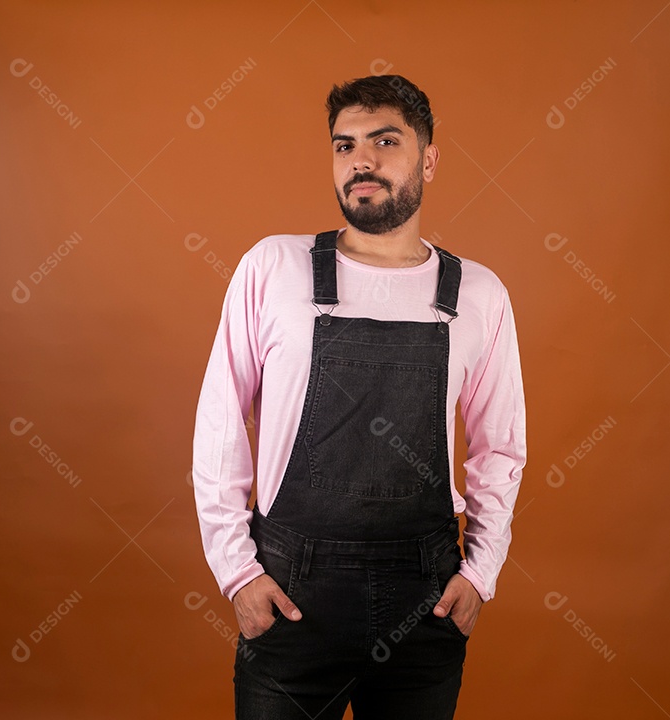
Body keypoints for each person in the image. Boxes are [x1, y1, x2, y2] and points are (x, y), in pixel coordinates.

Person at [192, 73, 526, 720]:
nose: (361, 161)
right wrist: (236, 571)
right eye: (344, 146)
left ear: (429, 159)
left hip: (424, 597)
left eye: (384, 141)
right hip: (291, 594)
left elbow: (501, 448)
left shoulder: (479, 296)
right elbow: (220, 423)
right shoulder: (273, 268)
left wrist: (481, 572)